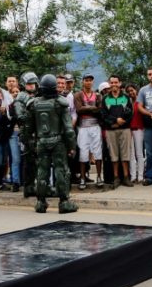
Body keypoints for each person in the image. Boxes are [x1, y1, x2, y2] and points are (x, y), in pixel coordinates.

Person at [26, 74, 78, 214]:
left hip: (41, 141)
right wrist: (72, 146)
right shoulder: (60, 103)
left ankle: (41, 202)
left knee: (42, 171)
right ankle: (64, 202)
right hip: (57, 141)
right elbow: (68, 129)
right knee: (61, 170)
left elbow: (28, 129)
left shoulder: (33, 104)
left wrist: (30, 144)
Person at [101, 75, 134, 188]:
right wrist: (115, 121)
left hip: (125, 129)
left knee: (125, 154)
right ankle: (116, 178)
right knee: (113, 155)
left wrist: (122, 122)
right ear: (109, 84)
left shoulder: (126, 97)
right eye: (112, 82)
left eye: (116, 82)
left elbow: (130, 113)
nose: (114, 85)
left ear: (120, 83)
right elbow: (104, 115)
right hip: (111, 129)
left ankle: (126, 177)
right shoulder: (105, 98)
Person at [74, 74, 104, 188]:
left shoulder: (97, 95)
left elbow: (100, 110)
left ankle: (99, 176)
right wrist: (93, 108)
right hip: (82, 127)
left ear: (93, 82)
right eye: (86, 80)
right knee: (83, 152)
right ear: (83, 82)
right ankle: (82, 178)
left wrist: (86, 108)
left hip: (95, 126)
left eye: (90, 80)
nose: (88, 82)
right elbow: (79, 110)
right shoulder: (78, 94)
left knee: (97, 152)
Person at [13, 71, 39, 196]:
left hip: (37, 132)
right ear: (24, 84)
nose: (31, 85)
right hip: (27, 133)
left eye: (33, 83)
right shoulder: (20, 98)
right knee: (29, 161)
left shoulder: (37, 96)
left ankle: (34, 186)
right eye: (29, 83)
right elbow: (20, 116)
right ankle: (28, 187)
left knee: (36, 161)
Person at [125, 84, 145, 183]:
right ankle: (133, 176)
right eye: (128, 91)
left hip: (139, 129)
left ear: (136, 90)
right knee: (131, 154)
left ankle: (140, 176)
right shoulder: (127, 103)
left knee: (139, 153)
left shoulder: (140, 102)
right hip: (129, 130)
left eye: (132, 90)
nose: (130, 93)